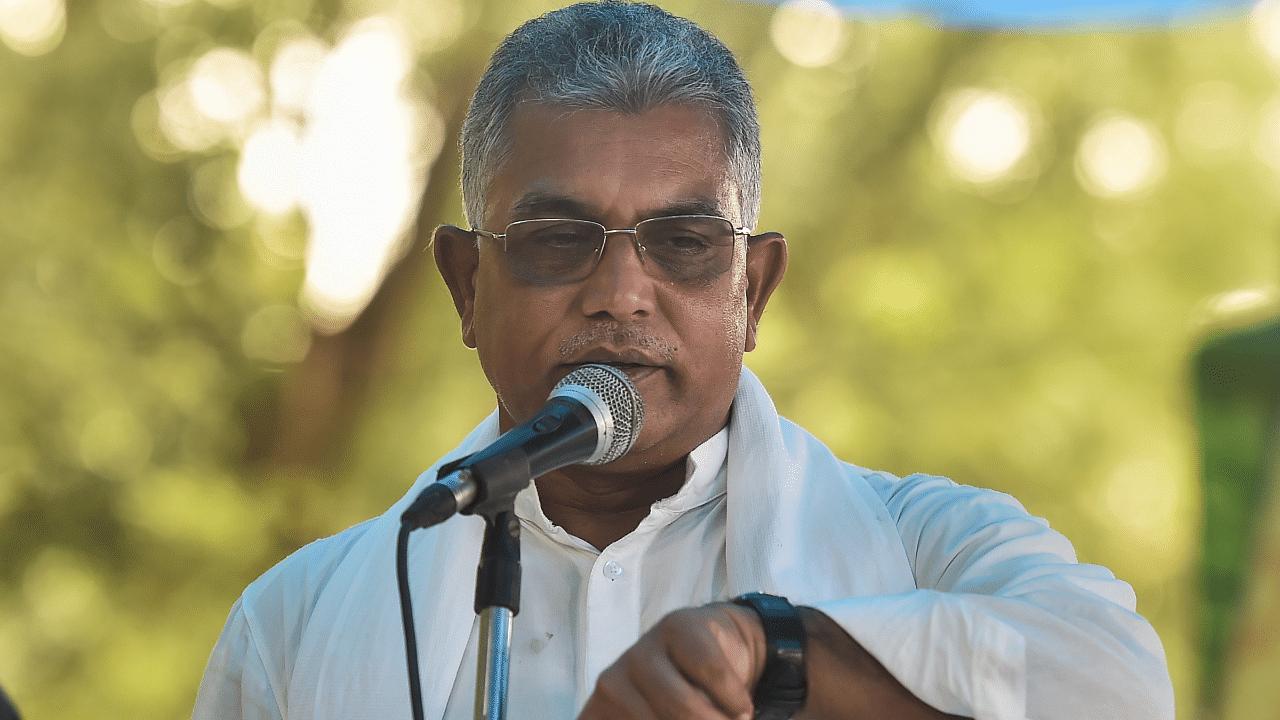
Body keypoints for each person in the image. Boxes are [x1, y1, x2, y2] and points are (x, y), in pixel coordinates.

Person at [192, 3, 1175, 719]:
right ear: (464, 287)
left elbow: (1118, 688)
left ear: (752, 291)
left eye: (683, 242)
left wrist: (774, 652)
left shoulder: (927, 545)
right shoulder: (295, 623)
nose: (620, 291)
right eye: (556, 236)